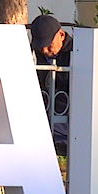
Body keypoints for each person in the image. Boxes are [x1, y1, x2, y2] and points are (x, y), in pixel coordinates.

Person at [29, 14, 71, 153]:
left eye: (49, 45)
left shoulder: (78, 53)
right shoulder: (36, 54)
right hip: (45, 111)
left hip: (68, 117)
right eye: (40, 46)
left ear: (61, 35)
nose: (44, 51)